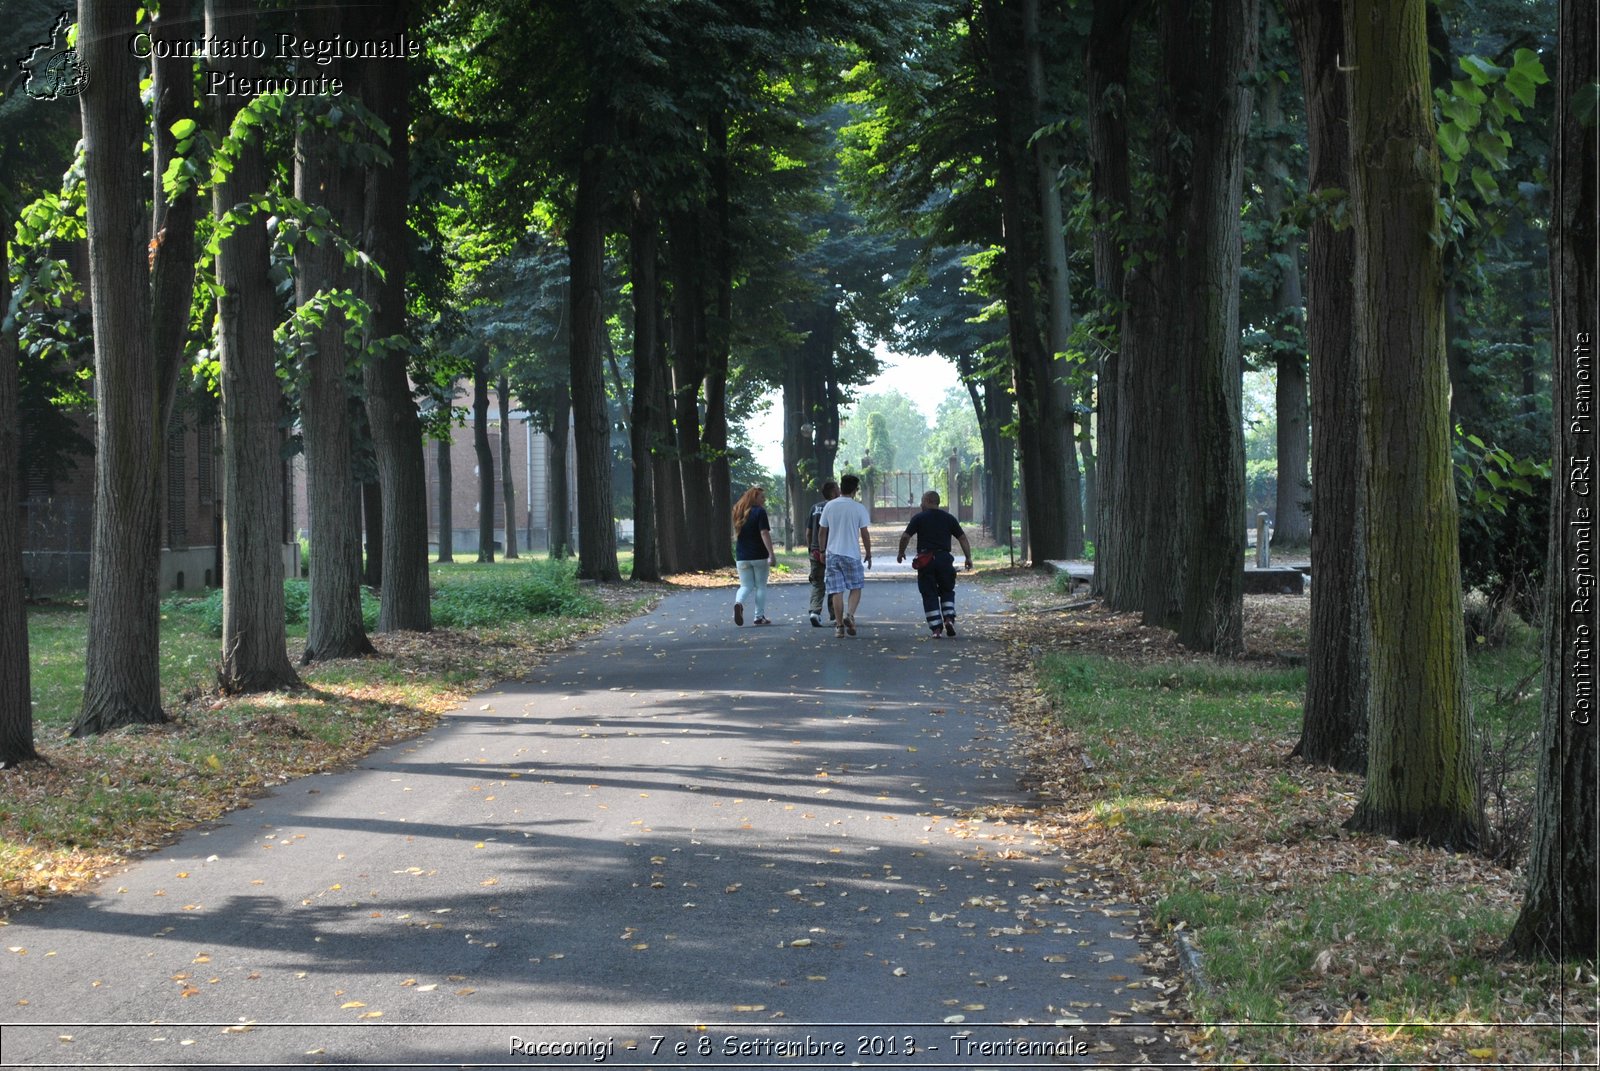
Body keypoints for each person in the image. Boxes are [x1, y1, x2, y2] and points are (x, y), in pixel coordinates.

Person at [896, 490, 973, 638]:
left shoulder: (919, 518)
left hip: (926, 560)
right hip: (944, 559)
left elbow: (906, 536)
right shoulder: (949, 518)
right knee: (947, 590)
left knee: (929, 593)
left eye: (923, 501)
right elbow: (962, 537)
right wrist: (968, 557)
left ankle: (936, 629)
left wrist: (901, 552)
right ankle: (949, 618)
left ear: (930, 501)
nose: (920, 504)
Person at [817, 473, 872, 637]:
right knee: (856, 587)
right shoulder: (859, 508)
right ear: (855, 490)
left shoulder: (830, 506)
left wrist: (821, 551)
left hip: (833, 553)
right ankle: (850, 615)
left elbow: (822, 531)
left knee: (836, 591)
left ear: (841, 487)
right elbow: (865, 533)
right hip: (852, 554)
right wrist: (868, 553)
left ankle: (839, 627)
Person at [731, 485, 776, 626]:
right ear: (754, 497)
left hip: (742, 555)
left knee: (745, 586)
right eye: (762, 496)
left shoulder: (738, 511)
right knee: (761, 586)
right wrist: (771, 553)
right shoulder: (759, 512)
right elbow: (764, 533)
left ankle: (738, 603)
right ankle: (759, 617)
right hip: (759, 555)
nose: (764, 499)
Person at [804, 480, 840, 627]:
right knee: (834, 583)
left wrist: (811, 548)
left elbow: (808, 532)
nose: (839, 491)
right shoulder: (835, 508)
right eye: (837, 488)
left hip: (815, 551)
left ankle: (814, 612)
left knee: (817, 583)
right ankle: (833, 615)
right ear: (833, 492)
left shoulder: (815, 508)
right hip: (832, 550)